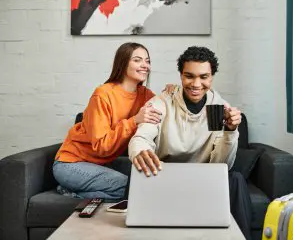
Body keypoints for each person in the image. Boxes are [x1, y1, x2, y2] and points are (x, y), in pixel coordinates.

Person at [128, 46, 253, 240]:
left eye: (204, 77)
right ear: (180, 75)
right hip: (164, 177)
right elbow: (142, 137)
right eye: (189, 76)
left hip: (203, 181)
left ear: (212, 77)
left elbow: (221, 165)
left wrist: (230, 132)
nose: (196, 84)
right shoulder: (161, 103)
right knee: (136, 171)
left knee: (235, 178)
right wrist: (141, 151)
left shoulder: (218, 109)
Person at [53, 42, 168, 201]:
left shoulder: (146, 95)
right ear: (123, 62)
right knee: (133, 188)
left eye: (147, 61)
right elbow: (101, 146)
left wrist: (173, 92)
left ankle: (76, 190)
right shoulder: (103, 94)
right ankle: (73, 193)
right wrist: (134, 121)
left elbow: (166, 108)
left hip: (100, 166)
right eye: (137, 60)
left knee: (150, 182)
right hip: (71, 164)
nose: (145, 65)